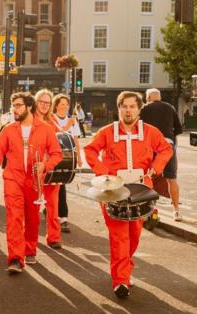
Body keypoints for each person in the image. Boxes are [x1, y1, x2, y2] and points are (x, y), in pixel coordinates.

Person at [84, 91, 172, 298]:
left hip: (142, 190)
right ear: (119, 108)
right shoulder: (107, 131)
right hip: (113, 190)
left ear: (139, 109)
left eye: (133, 106)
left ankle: (125, 267)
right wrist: (103, 171)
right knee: (119, 236)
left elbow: (166, 149)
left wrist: (156, 167)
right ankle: (120, 280)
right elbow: (89, 150)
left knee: (134, 235)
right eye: (125, 106)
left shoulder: (150, 131)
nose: (128, 110)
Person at [0, 92, 62, 272]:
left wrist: (46, 164)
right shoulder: (9, 129)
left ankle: (29, 248)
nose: (14, 109)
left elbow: (57, 154)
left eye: (18, 106)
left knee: (33, 219)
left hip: (35, 181)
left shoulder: (46, 128)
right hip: (13, 178)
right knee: (14, 217)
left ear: (28, 107)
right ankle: (15, 259)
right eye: (13, 106)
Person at [141, 88, 183, 221]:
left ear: (147, 98)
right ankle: (176, 211)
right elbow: (179, 129)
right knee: (172, 179)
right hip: (167, 145)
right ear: (159, 97)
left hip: (150, 146)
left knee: (148, 177)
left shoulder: (144, 109)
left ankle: (147, 209)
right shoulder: (170, 108)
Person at [34, 89, 65, 249]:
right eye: (42, 102)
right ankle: (30, 237)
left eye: (48, 103)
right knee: (33, 207)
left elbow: (61, 142)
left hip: (50, 169)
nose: (45, 105)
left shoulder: (52, 122)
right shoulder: (29, 120)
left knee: (52, 206)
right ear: (36, 102)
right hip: (33, 170)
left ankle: (53, 237)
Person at [51, 94, 83, 233]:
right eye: (61, 104)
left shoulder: (73, 121)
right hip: (53, 156)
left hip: (68, 157)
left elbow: (75, 139)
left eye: (66, 104)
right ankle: (52, 210)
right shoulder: (51, 118)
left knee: (61, 185)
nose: (64, 106)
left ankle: (63, 217)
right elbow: (56, 135)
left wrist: (79, 157)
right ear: (56, 105)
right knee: (52, 185)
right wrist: (67, 125)